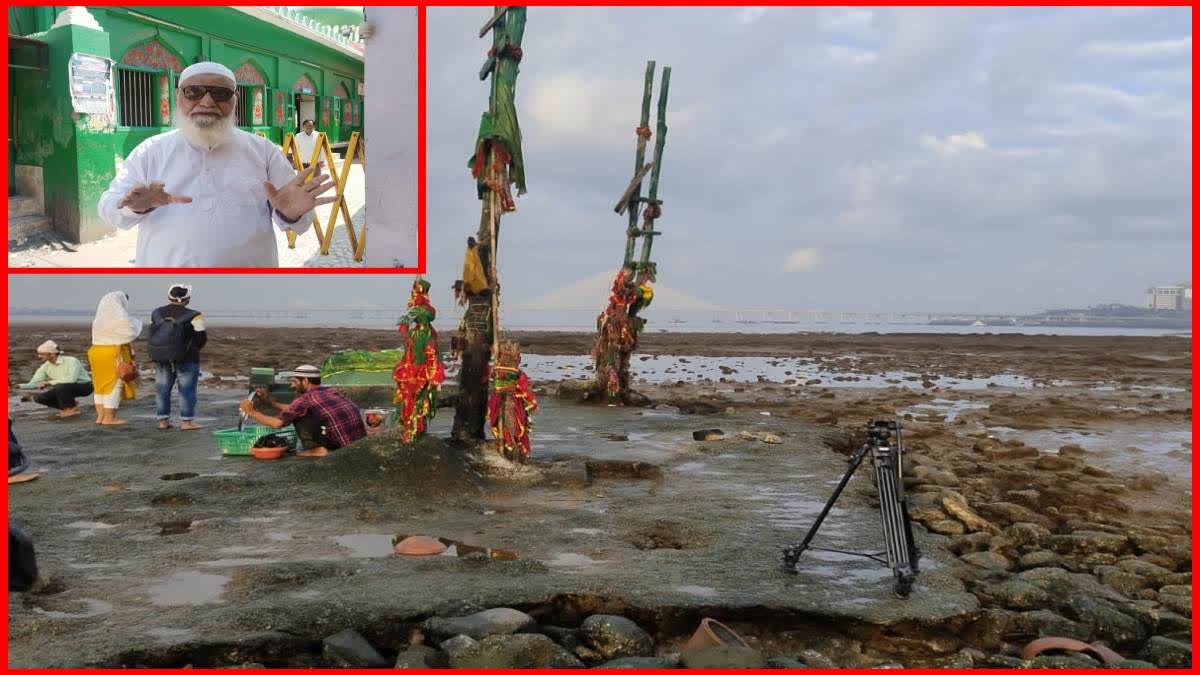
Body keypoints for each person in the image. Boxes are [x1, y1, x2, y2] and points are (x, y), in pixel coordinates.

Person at [97, 62, 338, 267]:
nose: (207, 102)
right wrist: (136, 207)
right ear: (178, 96)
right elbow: (108, 208)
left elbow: (302, 221)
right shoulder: (151, 151)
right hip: (167, 287)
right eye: (194, 92)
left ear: (234, 100)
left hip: (248, 287)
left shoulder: (264, 152)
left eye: (220, 93)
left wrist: (290, 213)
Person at [239, 365, 366, 457]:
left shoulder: (305, 399)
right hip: (356, 443)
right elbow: (294, 409)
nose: (292, 386)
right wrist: (269, 403)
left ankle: (319, 450)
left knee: (298, 417)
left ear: (305, 381)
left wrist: (252, 412)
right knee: (300, 414)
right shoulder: (329, 391)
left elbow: (277, 423)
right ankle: (325, 448)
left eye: (295, 381)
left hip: (339, 448)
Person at [148, 284, 208, 431]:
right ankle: (186, 422)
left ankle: (163, 421)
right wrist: (191, 349)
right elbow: (201, 338)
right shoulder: (195, 315)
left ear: (169, 297)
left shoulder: (156, 313)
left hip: (162, 357)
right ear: (187, 299)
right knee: (187, 390)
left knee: (162, 389)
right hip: (188, 359)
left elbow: (152, 334)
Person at [87, 291, 142, 426]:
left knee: (100, 385)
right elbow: (130, 333)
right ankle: (109, 418)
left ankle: (100, 417)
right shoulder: (120, 318)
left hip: (96, 352)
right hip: (112, 352)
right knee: (114, 384)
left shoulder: (99, 319)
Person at [17, 340, 93, 418]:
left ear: (52, 354)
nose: (39, 356)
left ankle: (69, 409)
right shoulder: (45, 366)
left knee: (61, 386)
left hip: (84, 386)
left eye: (42, 354)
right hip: (62, 389)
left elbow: (71, 379)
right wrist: (17, 386)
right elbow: (34, 383)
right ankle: (70, 406)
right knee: (39, 398)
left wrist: (49, 382)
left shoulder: (72, 361)